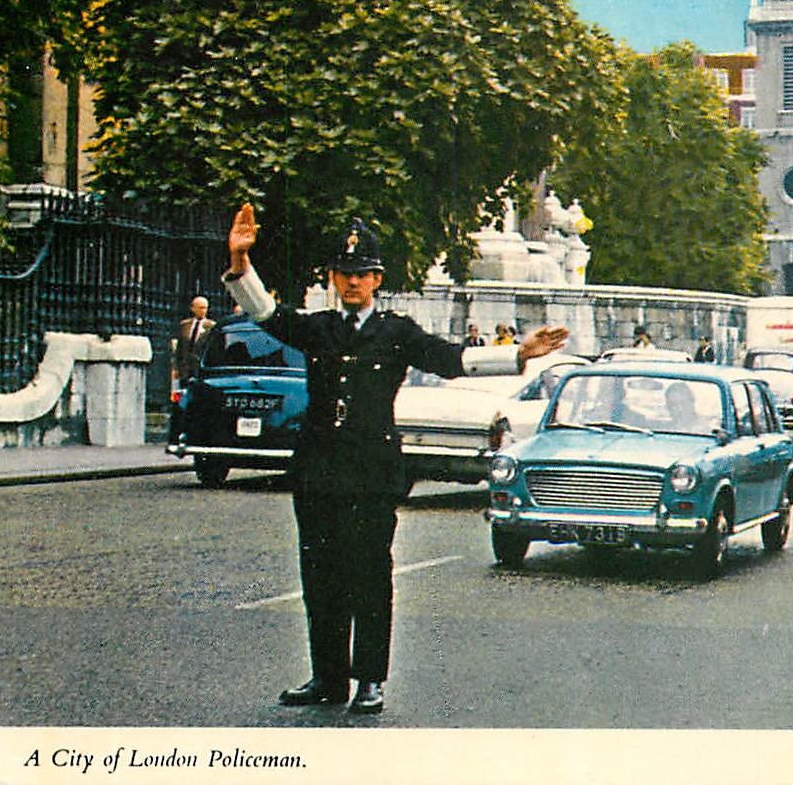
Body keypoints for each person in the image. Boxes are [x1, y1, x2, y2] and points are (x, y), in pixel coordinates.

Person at [222, 205, 566, 715]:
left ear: (377, 279)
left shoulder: (394, 332)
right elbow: (266, 315)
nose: (353, 282)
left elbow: (451, 360)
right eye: (345, 273)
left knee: (368, 576)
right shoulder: (317, 328)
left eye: (362, 274)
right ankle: (328, 677)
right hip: (318, 472)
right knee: (320, 576)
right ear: (334, 278)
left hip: (369, 474)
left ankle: (369, 680)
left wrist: (518, 354)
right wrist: (240, 261)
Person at [168, 296, 216, 444]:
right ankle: (178, 434)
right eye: (200, 307)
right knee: (182, 401)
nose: (203, 311)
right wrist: (176, 367)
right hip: (185, 370)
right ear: (193, 308)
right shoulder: (185, 325)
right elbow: (180, 349)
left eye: (205, 308)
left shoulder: (211, 326)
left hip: (200, 371)